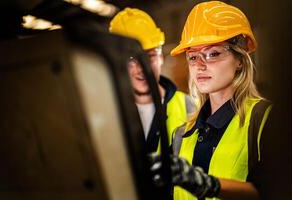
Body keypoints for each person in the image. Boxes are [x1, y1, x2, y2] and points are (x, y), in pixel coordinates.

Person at [149, 1, 272, 199]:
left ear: (239, 60)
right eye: (193, 57)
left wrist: (207, 184)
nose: (200, 65)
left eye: (213, 54)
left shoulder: (265, 120)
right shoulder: (181, 135)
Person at [109, 8, 195, 153]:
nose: (142, 68)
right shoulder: (105, 110)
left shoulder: (191, 108)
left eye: (150, 56)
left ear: (161, 57)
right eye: (131, 59)